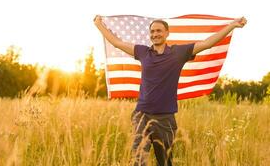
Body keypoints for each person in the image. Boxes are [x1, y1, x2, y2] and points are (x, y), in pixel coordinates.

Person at [94, 15, 247, 166]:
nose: (155, 34)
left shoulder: (178, 52)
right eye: (152, 31)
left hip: (165, 118)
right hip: (141, 115)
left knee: (165, 161)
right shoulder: (143, 52)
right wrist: (99, 25)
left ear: (167, 33)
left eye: (159, 31)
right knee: (138, 161)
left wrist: (232, 25)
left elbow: (207, 43)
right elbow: (116, 42)